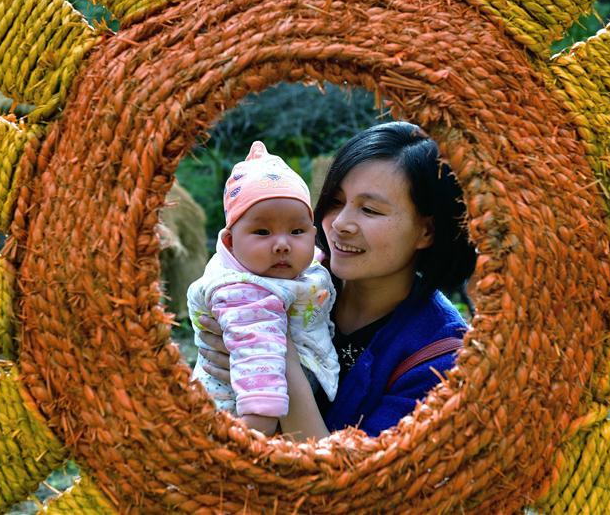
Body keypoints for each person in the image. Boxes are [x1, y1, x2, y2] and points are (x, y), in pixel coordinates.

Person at [198, 122, 476, 439]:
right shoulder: (294, 279)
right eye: (335, 201)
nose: (340, 224)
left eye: (369, 210)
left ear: (426, 231)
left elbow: (352, 479)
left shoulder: (441, 359)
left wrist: (278, 356)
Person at [187, 141, 339, 435]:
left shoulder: (289, 271)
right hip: (242, 412)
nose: (282, 244)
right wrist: (258, 424)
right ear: (231, 242)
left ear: (312, 235)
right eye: (262, 232)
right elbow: (257, 354)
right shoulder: (244, 291)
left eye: (296, 231)